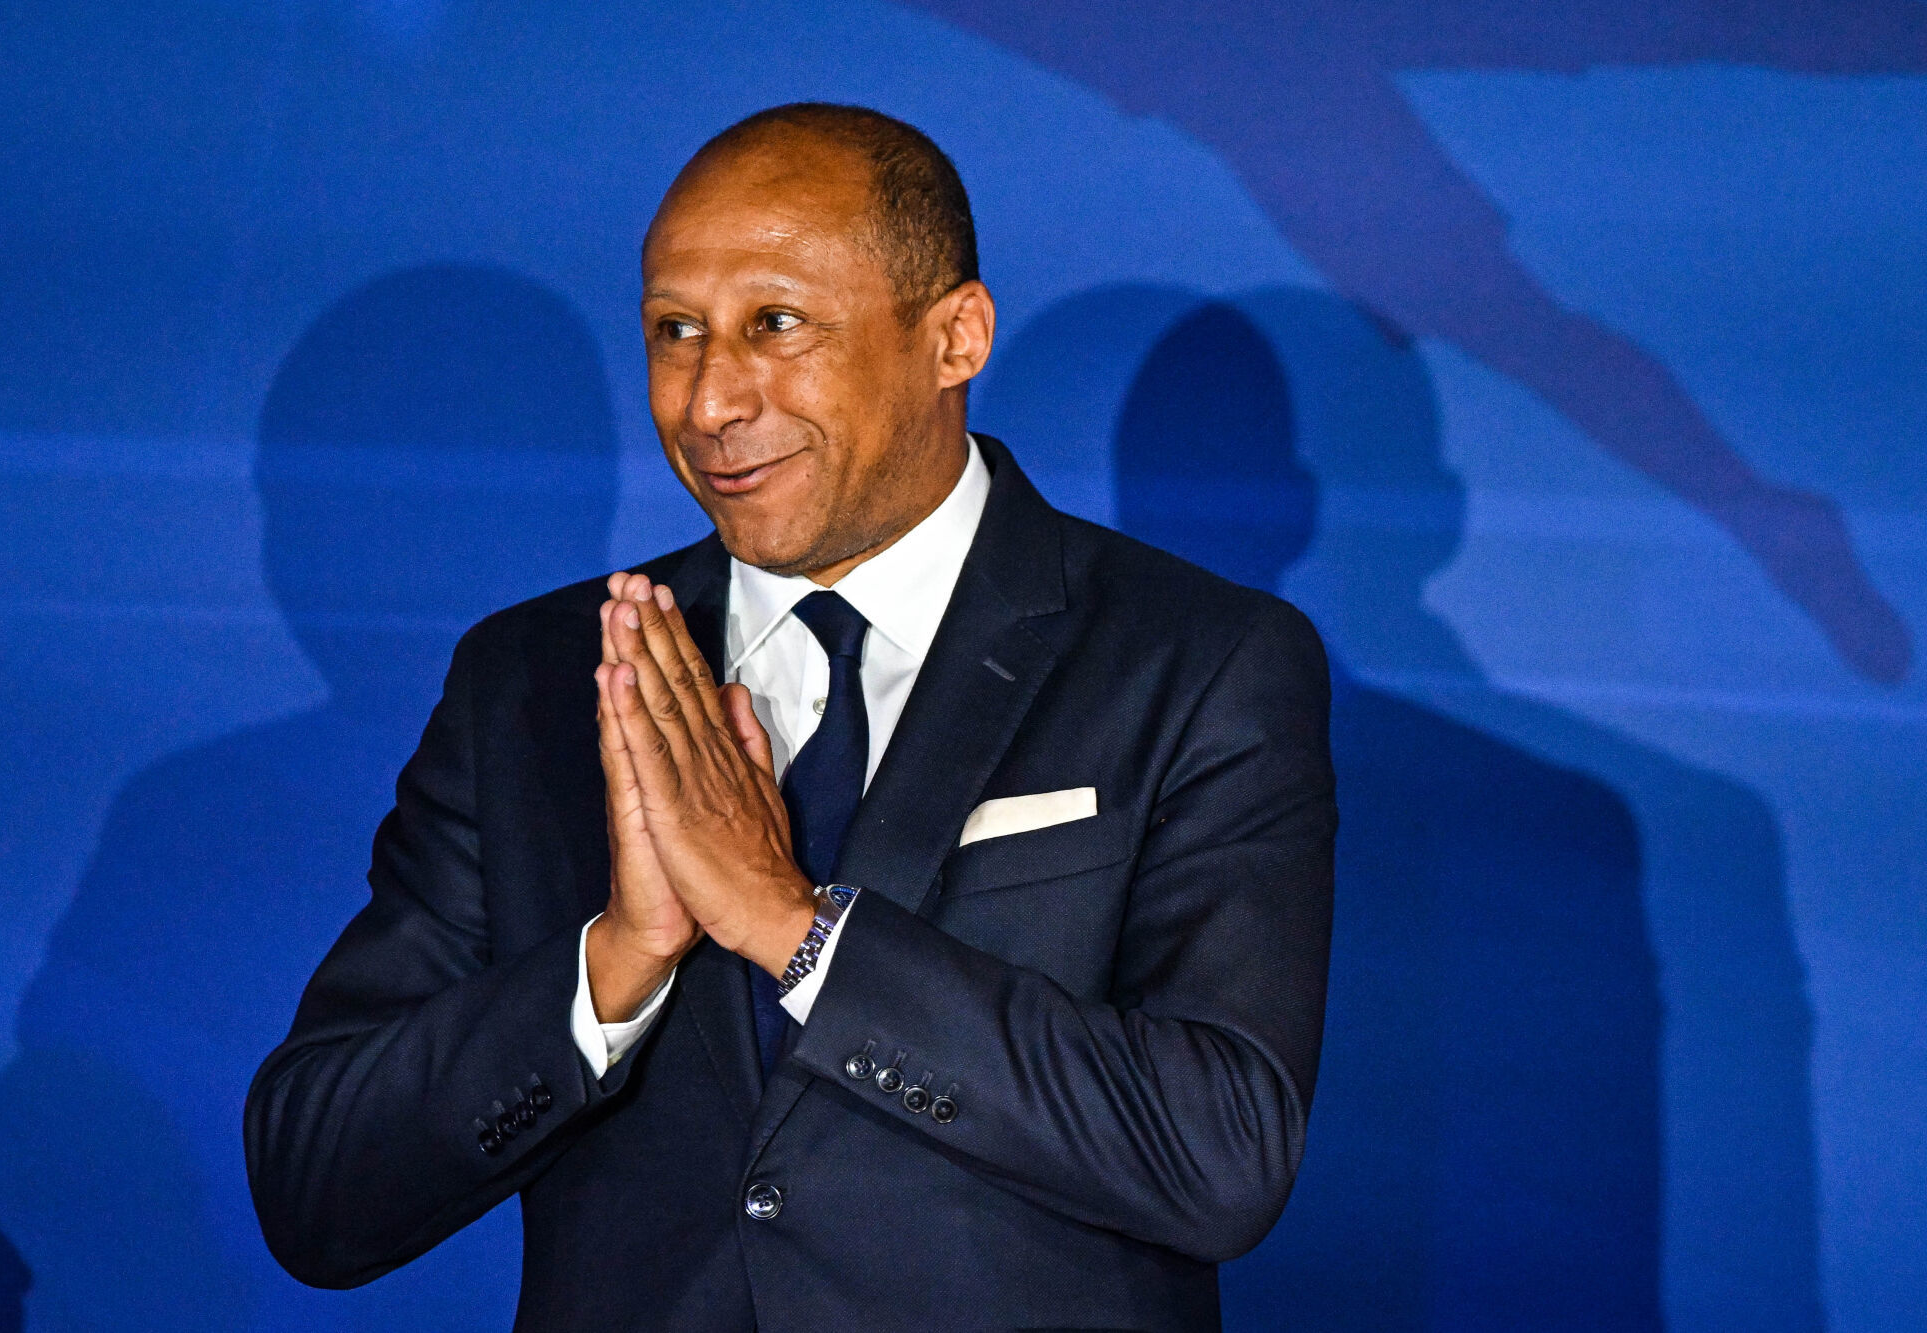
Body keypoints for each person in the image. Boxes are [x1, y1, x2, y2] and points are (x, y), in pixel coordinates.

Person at [246, 102, 1336, 1330]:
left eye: (775, 324)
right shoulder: (539, 679)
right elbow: (314, 1187)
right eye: (675, 332)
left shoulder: (1195, 660)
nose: (710, 400)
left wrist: (793, 928)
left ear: (954, 337)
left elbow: (1217, 1152)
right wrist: (615, 964)